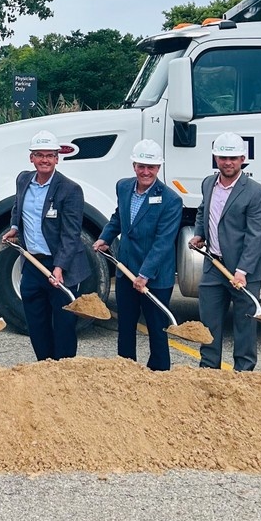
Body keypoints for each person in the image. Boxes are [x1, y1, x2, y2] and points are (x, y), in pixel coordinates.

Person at [2, 130, 92, 361]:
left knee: (63, 324)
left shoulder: (70, 190)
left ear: (57, 158)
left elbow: (71, 234)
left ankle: (64, 372)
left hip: (61, 266)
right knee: (36, 322)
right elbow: (17, 206)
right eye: (39, 155)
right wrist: (14, 227)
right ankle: (44, 367)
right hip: (32, 264)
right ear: (31, 158)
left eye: (49, 155)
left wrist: (59, 267)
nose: (44, 160)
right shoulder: (23, 180)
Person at [93, 139, 182, 371]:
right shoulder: (123, 187)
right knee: (126, 326)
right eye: (141, 166)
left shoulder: (171, 200)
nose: (145, 172)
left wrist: (144, 274)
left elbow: (164, 242)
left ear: (158, 168)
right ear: (134, 165)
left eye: (151, 167)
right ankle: (126, 371)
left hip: (155, 277)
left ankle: (159, 375)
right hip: (126, 270)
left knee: (157, 329)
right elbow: (118, 217)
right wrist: (105, 237)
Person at [189, 132, 261, 371]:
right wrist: (199, 234)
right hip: (214, 267)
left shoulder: (257, 193)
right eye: (223, 157)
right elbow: (203, 211)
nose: (228, 162)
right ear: (215, 157)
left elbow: (256, 236)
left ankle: (243, 377)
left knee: (245, 326)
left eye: (233, 158)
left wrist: (242, 271)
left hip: (244, 272)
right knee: (209, 325)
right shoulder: (208, 183)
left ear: (243, 159)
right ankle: (208, 372)